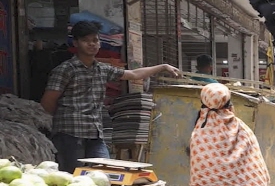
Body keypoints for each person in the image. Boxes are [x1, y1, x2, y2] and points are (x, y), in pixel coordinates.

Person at [41, 20, 181, 172]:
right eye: (86, 40)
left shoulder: (102, 69)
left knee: (104, 173)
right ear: (75, 43)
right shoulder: (65, 70)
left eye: (95, 40)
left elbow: (134, 74)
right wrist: (63, 121)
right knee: (72, 176)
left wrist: (163, 67)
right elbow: (48, 102)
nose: (92, 44)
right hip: (69, 134)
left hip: (95, 133)